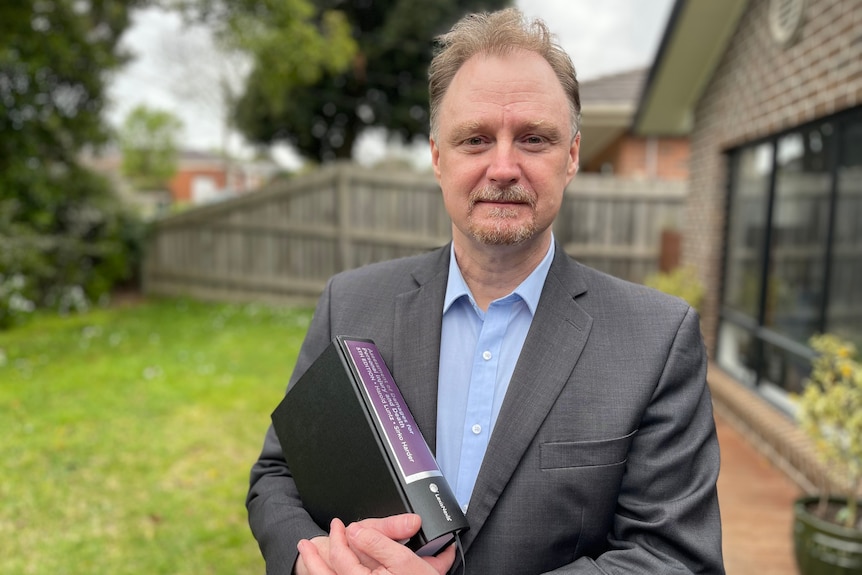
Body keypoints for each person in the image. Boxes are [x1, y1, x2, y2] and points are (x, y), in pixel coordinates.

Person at [247, 8, 725, 575]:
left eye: (533, 139)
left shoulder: (655, 340)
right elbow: (278, 477)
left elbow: (674, 557)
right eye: (474, 139)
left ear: (571, 156)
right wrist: (312, 563)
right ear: (436, 157)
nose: (503, 166)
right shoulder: (349, 304)